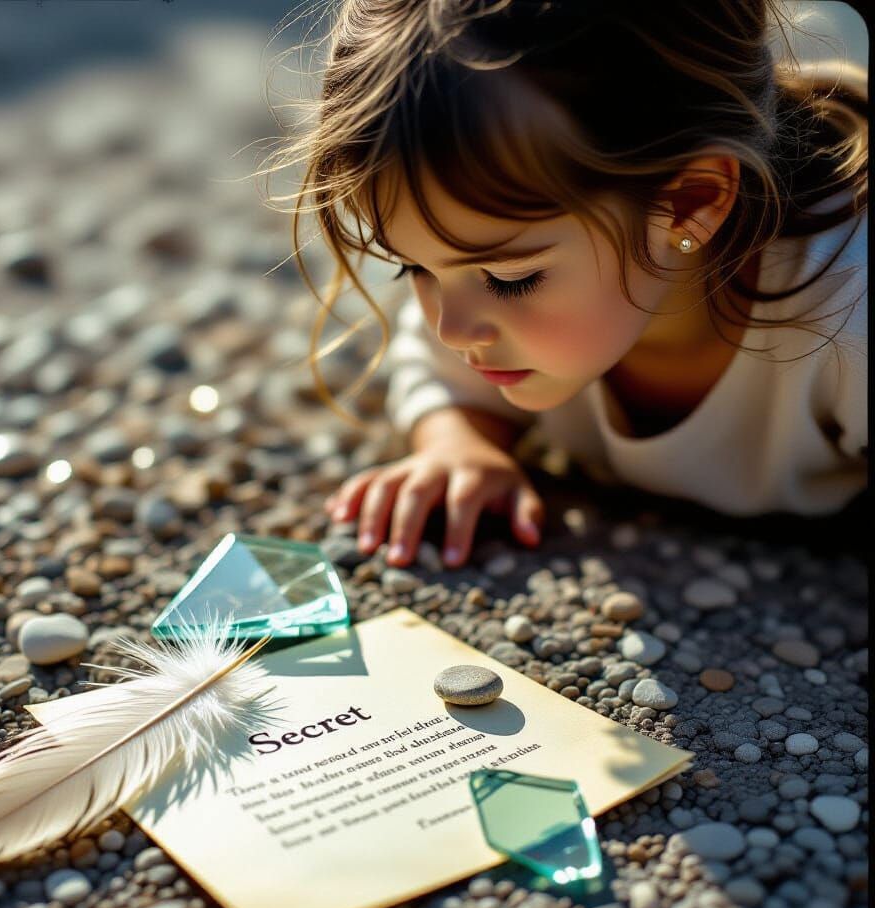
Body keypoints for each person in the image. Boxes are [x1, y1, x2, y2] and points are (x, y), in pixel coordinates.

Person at [262, 0, 867, 568]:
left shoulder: (850, 311)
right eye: (413, 267)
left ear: (690, 203)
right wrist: (458, 444)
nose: (450, 328)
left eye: (510, 278)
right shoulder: (504, 270)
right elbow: (438, 374)